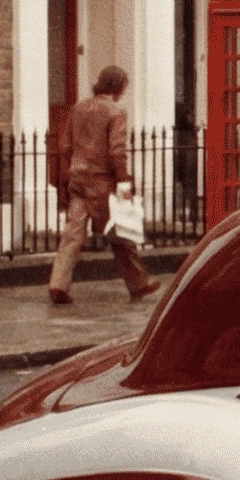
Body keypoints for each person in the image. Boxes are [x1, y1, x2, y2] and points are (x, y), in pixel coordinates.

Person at [48, 66, 160, 307]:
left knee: (72, 235)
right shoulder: (116, 111)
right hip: (101, 182)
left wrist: (67, 176)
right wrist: (124, 181)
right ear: (118, 87)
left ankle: (58, 283)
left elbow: (65, 146)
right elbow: (116, 150)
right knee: (122, 232)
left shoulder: (78, 107)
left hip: (78, 178)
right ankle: (139, 284)